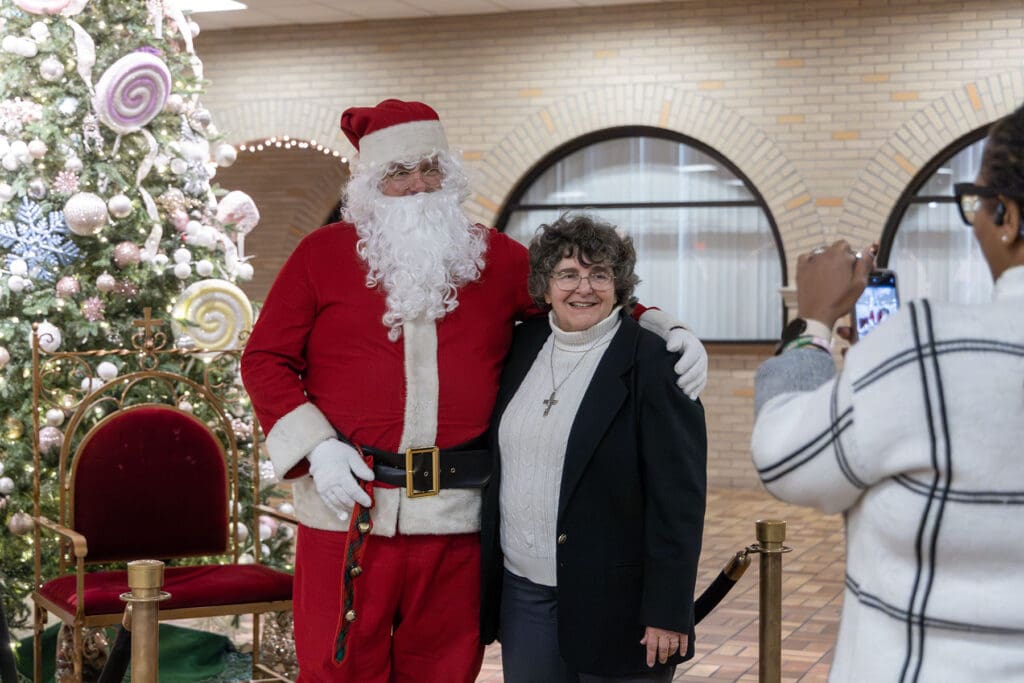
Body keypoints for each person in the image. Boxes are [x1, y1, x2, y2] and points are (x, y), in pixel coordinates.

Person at [240, 99, 709, 682]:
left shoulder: (491, 256)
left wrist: (665, 323)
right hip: (349, 509)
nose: (417, 186)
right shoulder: (321, 256)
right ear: (369, 186)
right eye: (398, 172)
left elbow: (580, 296)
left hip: (455, 522)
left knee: (443, 667)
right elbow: (265, 359)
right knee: (337, 669)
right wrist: (316, 447)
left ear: (449, 173)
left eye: (429, 168)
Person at [750, 104, 1024, 682]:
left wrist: (814, 325)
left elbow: (785, 455)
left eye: (976, 202)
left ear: (1006, 217)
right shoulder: (911, 355)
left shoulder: (925, 350)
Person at [480, 214, 707, 682]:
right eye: (567, 274)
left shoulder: (653, 364)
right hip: (525, 597)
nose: (583, 288)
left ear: (619, 286)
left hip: (618, 603)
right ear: (544, 287)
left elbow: (679, 502)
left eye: (599, 274)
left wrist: (669, 608)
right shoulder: (520, 347)